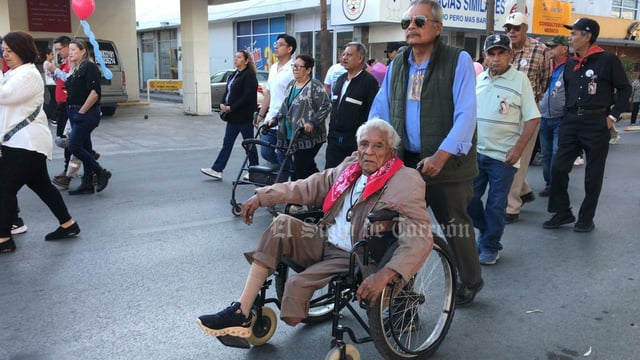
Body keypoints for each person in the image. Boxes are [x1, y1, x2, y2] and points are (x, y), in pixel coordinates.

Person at [197, 118, 432, 337]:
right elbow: (309, 186)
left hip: (356, 255)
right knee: (281, 224)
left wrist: (386, 274)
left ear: (391, 152)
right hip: (324, 238)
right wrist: (263, 197)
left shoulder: (405, 180)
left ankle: (276, 310)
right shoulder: (350, 167)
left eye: (378, 146)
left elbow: (419, 236)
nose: (369, 152)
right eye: (364, 144)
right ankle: (242, 311)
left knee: (296, 286)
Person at [368, 0, 483, 306]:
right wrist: (369, 144)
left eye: (419, 21)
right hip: (406, 162)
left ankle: (471, 279)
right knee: (404, 231)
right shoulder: (398, 63)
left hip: (448, 163)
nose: (412, 28)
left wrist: (441, 156)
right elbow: (380, 109)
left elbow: (466, 115)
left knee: (455, 225)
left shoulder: (457, 60)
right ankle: (404, 295)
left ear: (437, 27)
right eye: (406, 23)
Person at [544, 18, 631, 233]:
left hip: (596, 121)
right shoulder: (570, 63)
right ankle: (562, 211)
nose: (570, 38)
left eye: (574, 33)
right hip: (571, 121)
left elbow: (624, 89)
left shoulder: (608, 60)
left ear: (587, 35)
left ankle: (586, 218)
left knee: (593, 174)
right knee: (558, 167)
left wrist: (613, 116)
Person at [1, 30, 81, 254]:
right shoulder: (14, 74)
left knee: (4, 189)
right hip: (22, 142)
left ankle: (4, 238)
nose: (5, 55)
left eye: (10, 50)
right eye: (3, 50)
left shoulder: (27, 75)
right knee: (43, 186)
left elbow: (3, 96)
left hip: (25, 143)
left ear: (22, 51)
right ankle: (68, 224)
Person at [469, 34, 541, 265]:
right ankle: (487, 230)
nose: (496, 58)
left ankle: (490, 245)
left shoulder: (520, 81)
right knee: (468, 201)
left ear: (511, 55)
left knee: (496, 204)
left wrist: (518, 150)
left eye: (501, 53)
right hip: (476, 154)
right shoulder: (478, 80)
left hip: (504, 157)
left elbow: (532, 119)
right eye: (492, 53)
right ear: (485, 56)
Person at [502, 12, 551, 224]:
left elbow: (545, 80)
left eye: (516, 28)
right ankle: (523, 189)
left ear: (525, 28)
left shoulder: (541, 51)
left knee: (519, 159)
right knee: (503, 156)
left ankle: (511, 206)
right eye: (508, 28)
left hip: (527, 113)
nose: (511, 32)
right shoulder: (502, 49)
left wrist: (532, 102)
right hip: (503, 110)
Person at [265, 54, 330, 180]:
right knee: (307, 167)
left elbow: (326, 106)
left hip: (307, 136)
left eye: (299, 67)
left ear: (308, 70)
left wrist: (312, 122)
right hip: (290, 134)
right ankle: (320, 187)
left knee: (299, 168)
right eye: (294, 66)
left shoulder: (314, 86)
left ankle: (296, 198)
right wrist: (274, 120)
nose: (295, 69)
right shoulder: (291, 85)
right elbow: (284, 107)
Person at [201, 50, 259, 180]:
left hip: (244, 117)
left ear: (246, 60)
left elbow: (247, 97)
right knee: (227, 143)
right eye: (235, 57)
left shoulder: (249, 76)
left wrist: (231, 107)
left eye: (239, 57)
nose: (236, 59)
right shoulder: (234, 75)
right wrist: (222, 103)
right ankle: (217, 169)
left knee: (249, 144)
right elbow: (227, 92)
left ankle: (255, 170)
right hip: (232, 117)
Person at [64, 38, 112, 195]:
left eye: (73, 50)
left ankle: (100, 171)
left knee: (74, 146)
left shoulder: (89, 66)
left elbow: (94, 93)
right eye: (69, 50)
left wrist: (82, 112)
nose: (69, 53)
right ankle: (87, 183)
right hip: (73, 111)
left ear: (83, 51)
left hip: (85, 113)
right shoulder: (75, 68)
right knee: (86, 147)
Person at [325, 42, 379, 169]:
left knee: (351, 176)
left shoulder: (369, 82)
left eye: (349, 55)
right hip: (334, 140)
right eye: (343, 54)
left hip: (354, 142)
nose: (344, 58)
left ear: (360, 58)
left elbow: (373, 113)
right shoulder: (340, 80)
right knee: (331, 175)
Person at [255, 34, 296, 167]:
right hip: (270, 118)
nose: (276, 47)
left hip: (285, 121)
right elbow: (269, 93)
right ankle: (282, 171)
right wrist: (261, 115)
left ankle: (283, 178)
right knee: (266, 152)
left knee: (282, 153)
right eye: (276, 44)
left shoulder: (294, 69)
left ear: (289, 49)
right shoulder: (273, 67)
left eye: (280, 44)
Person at [538, 35, 569, 197]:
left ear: (564, 48)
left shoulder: (569, 67)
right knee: (545, 154)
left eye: (553, 47)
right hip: (543, 117)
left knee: (557, 153)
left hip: (560, 118)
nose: (550, 50)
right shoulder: (546, 65)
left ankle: (557, 185)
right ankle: (549, 184)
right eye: (549, 47)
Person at [49, 35, 74, 189]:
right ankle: (89, 159)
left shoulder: (72, 63)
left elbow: (69, 79)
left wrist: (55, 70)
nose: (58, 52)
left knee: (67, 139)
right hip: (62, 104)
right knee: (69, 140)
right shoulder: (64, 62)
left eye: (59, 49)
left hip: (68, 105)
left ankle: (68, 171)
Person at [42, 48, 57, 122]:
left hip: (51, 83)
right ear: (47, 55)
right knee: (54, 101)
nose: (53, 56)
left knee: (53, 100)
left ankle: (52, 116)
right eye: (51, 54)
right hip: (52, 84)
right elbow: (55, 72)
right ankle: (53, 117)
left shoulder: (48, 63)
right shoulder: (47, 63)